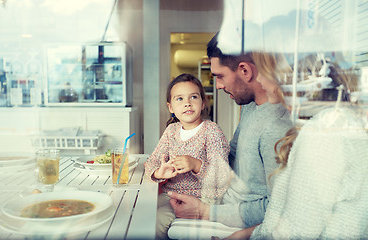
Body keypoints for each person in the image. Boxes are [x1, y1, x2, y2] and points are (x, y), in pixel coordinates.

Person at [225, 52, 368, 240]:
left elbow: (296, 232)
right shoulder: (327, 122)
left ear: (287, 74)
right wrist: (244, 235)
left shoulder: (324, 134)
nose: (258, 78)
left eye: (263, 70)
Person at [168, 34, 293, 230]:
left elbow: (278, 209)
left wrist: (203, 211)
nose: (217, 86)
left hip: (231, 218)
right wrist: (193, 165)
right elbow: (229, 160)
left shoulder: (276, 127)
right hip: (218, 198)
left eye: (220, 76)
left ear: (244, 70)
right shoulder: (252, 107)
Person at [144, 73, 232, 239]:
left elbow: (222, 177)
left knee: (154, 223)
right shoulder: (171, 131)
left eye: (193, 97)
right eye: (179, 99)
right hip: (170, 196)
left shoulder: (211, 131)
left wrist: (196, 165)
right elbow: (151, 161)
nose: (187, 103)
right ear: (170, 107)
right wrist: (158, 172)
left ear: (203, 102)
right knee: (139, 213)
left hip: (202, 199)